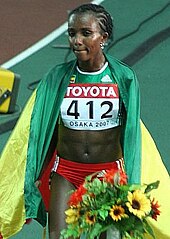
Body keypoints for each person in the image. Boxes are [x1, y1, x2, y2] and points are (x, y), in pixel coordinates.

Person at [6, 3, 170, 239]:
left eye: (86, 33)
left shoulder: (122, 78)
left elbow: (131, 133)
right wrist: (36, 176)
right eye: (72, 33)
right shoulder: (57, 78)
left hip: (108, 175)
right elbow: (43, 131)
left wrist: (131, 183)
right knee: (59, 237)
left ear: (103, 37)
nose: (77, 40)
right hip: (66, 173)